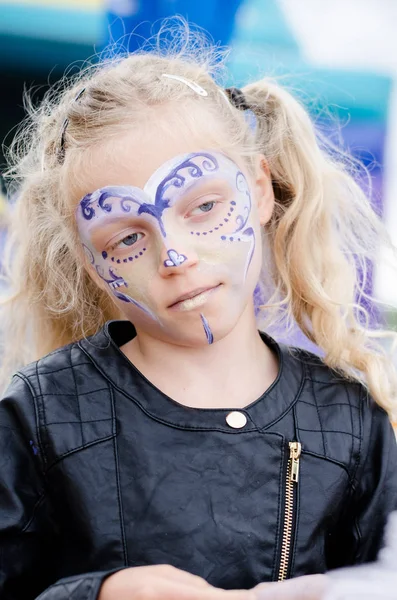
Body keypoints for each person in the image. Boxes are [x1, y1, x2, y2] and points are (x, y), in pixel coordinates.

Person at [1, 24, 397, 600]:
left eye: (205, 206)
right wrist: (100, 595)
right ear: (90, 261)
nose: (176, 255)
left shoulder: (348, 421)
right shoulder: (38, 418)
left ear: (260, 189)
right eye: (126, 239)